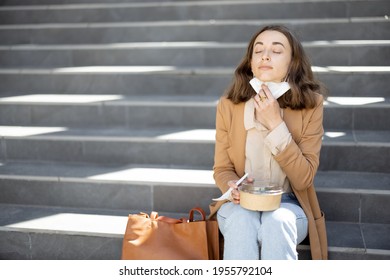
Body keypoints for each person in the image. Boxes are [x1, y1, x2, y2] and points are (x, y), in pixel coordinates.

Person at [209, 25, 328, 260]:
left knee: (277, 220)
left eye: (276, 50)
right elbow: (221, 169)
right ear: (251, 62)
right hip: (241, 203)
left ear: (292, 62)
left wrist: (276, 123)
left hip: (289, 203)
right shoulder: (229, 105)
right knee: (242, 220)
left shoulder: (311, 105)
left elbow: (304, 178)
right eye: (259, 50)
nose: (265, 55)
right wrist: (230, 185)